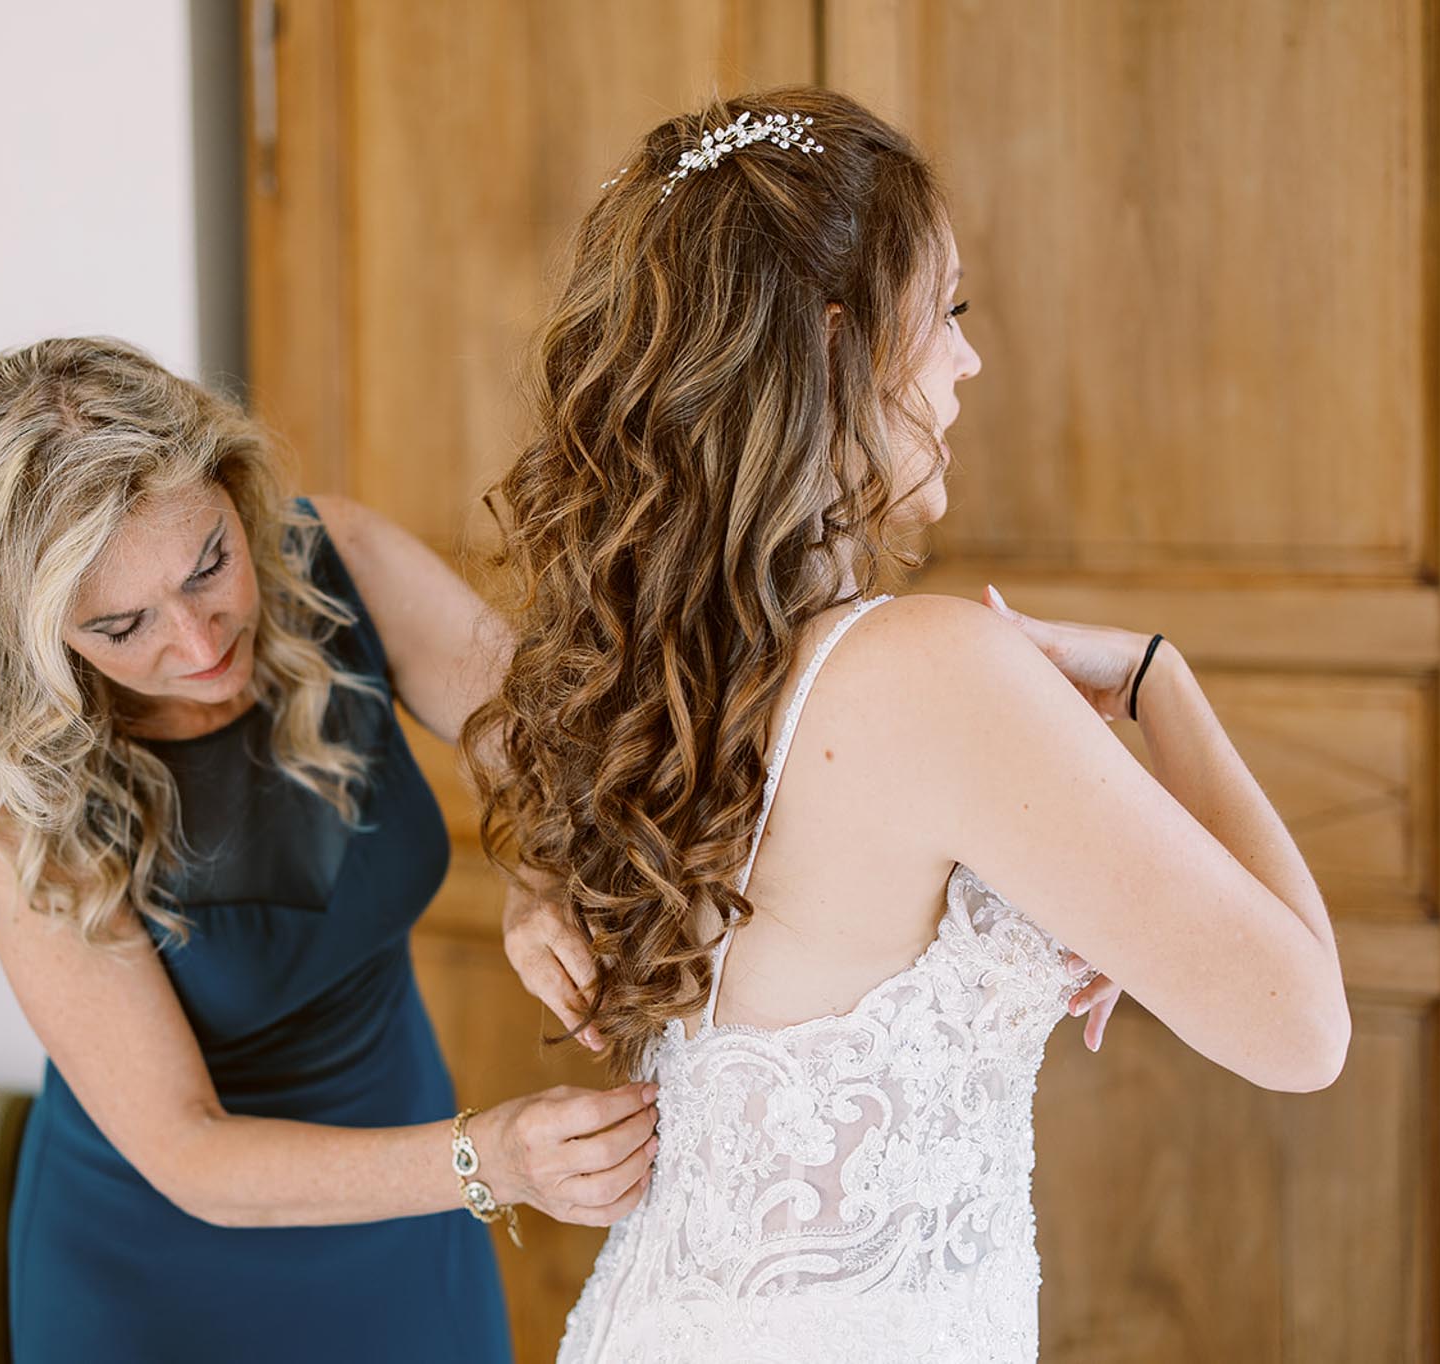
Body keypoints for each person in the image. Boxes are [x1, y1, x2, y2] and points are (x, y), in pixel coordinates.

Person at [463, 87, 1351, 1363]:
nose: (965, 360)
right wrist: (1161, 682)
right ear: (837, 350)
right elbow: (1303, 1027)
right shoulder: (928, 672)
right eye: (946, 313)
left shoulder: (661, 673)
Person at [0, 336, 658, 1362]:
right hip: (160, 1269)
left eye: (208, 562)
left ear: (231, 488)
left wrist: (538, 874)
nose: (199, 639)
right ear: (38, 636)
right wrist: (493, 1159)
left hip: (408, 1205)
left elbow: (548, 754)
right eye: (122, 624)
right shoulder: (24, 785)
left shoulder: (337, 560)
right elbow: (189, 1149)